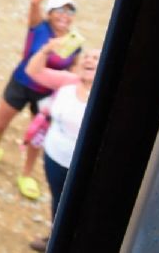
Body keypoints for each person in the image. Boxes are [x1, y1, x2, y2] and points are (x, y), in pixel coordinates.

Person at [0, 0, 81, 200]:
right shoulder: (39, 28)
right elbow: (34, 1)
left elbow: (73, 71)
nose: (65, 15)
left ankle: (26, 174)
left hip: (47, 95)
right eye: (60, 10)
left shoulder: (74, 41)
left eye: (70, 11)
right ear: (50, 14)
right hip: (21, 83)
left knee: (36, 137)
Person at [22, 43, 102, 251]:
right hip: (55, 157)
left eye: (96, 58)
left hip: (89, 168)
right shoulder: (68, 83)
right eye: (86, 57)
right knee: (59, 200)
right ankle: (56, 238)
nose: (88, 60)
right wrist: (47, 49)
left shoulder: (110, 94)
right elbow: (33, 71)